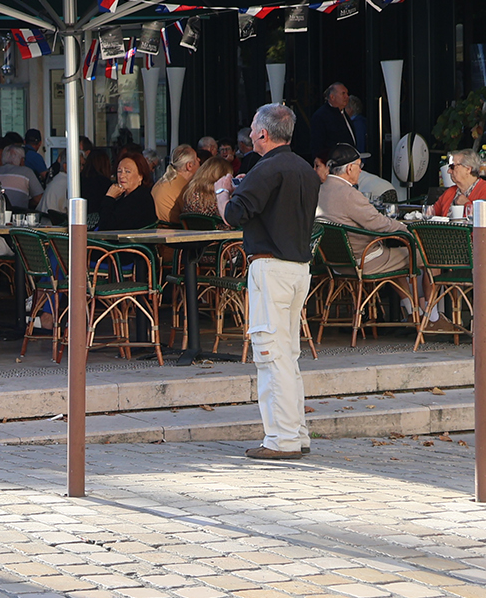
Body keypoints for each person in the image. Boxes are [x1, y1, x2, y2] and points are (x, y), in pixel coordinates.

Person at [212, 103, 320, 461]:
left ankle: (282, 438)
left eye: (253, 129)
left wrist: (223, 190)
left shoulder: (266, 168)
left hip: (270, 266)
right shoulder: (304, 169)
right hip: (298, 267)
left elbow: (232, 215)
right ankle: (295, 432)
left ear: (262, 133)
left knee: (271, 354)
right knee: (287, 354)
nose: (250, 134)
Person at [317, 144, 410, 274]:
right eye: (359, 165)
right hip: (363, 261)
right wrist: (406, 229)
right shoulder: (349, 194)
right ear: (349, 168)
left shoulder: (319, 191)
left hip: (333, 263)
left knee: (396, 255)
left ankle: (400, 290)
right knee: (423, 255)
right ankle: (432, 289)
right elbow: (378, 223)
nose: (360, 171)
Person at [99, 151, 158, 231]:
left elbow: (106, 226)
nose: (121, 176)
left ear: (140, 176)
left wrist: (109, 197)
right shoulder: (124, 197)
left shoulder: (139, 198)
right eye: (119, 171)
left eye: (127, 171)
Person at [432, 150, 486, 218]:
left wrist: (466, 204)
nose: (448, 171)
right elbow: (432, 213)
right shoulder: (450, 192)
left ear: (468, 169)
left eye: (452, 167)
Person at [304, 82, 355, 161]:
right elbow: (317, 145)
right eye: (343, 93)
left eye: (347, 93)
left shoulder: (344, 114)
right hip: (332, 162)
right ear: (332, 97)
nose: (347, 97)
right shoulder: (321, 116)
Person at [0, 144, 41, 210]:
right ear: (22, 160)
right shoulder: (26, 172)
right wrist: (26, 202)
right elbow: (39, 199)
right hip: (17, 214)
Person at [153, 145, 199, 224]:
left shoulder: (161, 182)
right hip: (174, 230)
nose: (199, 160)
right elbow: (194, 218)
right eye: (196, 158)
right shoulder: (184, 188)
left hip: (156, 229)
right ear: (189, 165)